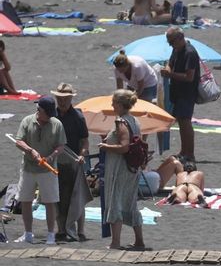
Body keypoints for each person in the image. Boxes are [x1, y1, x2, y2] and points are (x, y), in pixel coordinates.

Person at [11, 98, 65, 244]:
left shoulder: (56, 124)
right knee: (26, 200)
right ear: (40, 111)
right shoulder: (27, 121)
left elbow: (61, 146)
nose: (50, 117)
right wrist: (31, 150)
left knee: (50, 201)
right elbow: (18, 141)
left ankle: (50, 235)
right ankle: (28, 233)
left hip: (48, 169)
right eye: (47, 114)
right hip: (29, 167)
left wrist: (51, 156)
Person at [97, 91, 146, 250]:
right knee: (130, 203)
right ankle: (139, 240)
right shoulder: (134, 120)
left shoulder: (121, 121)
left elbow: (124, 147)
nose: (112, 105)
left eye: (113, 102)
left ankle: (115, 242)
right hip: (132, 168)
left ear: (120, 104)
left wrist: (106, 146)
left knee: (115, 201)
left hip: (120, 168)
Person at [51, 84, 89, 241]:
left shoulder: (78, 117)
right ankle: (61, 229)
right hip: (56, 160)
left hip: (74, 160)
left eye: (65, 98)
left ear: (71, 98)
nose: (62, 101)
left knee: (77, 196)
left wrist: (82, 155)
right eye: (59, 98)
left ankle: (80, 231)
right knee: (58, 196)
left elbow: (85, 141)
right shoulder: (52, 115)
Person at [162, 27, 199, 161]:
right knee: (181, 121)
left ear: (180, 38)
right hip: (177, 91)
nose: (170, 44)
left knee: (185, 122)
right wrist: (167, 69)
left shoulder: (190, 53)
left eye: (172, 41)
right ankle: (184, 151)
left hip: (187, 92)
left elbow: (189, 77)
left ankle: (190, 153)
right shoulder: (176, 49)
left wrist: (170, 74)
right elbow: (170, 63)